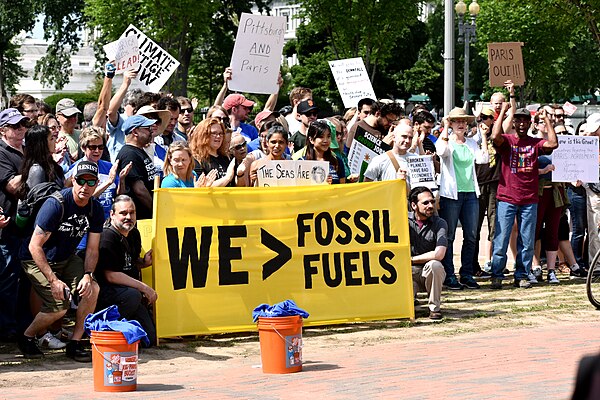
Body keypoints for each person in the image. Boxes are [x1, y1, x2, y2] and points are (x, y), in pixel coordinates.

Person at [18, 161, 104, 361]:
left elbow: (92, 248)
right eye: (81, 180)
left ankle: (74, 343)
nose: (85, 186)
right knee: (59, 306)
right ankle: (27, 337)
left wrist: (88, 275)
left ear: (97, 183)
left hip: (65, 257)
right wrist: (53, 280)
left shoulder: (95, 209)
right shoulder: (57, 204)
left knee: (93, 289)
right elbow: (34, 246)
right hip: (36, 258)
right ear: (73, 181)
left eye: (91, 182)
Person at [490, 104, 558, 289]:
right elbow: (494, 137)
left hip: (529, 199)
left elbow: (553, 144)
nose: (521, 123)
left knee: (527, 241)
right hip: (506, 197)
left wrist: (546, 120)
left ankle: (521, 274)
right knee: (501, 239)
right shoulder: (507, 141)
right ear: (514, 122)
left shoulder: (535, 143)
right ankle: (496, 274)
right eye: (518, 120)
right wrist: (504, 112)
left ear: (529, 123)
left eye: (525, 120)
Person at [436, 107, 488, 290]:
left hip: (470, 193)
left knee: (472, 235)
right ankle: (449, 274)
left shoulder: (471, 143)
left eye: (463, 121)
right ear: (451, 123)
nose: (460, 124)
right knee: (449, 236)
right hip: (451, 194)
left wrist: (483, 137)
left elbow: (483, 159)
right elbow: (441, 152)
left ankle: (466, 273)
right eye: (456, 121)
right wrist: (444, 128)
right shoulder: (446, 140)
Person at [96, 195, 157, 346]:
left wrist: (143, 263)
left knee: (150, 338)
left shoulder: (134, 234)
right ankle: (104, 330)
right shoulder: (107, 236)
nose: (128, 217)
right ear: (112, 215)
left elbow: (130, 262)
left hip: (129, 295)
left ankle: (124, 330)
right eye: (123, 213)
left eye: (132, 213)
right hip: (108, 295)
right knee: (133, 295)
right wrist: (144, 288)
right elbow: (110, 275)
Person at [65, 127, 131, 256]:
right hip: (84, 231)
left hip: (106, 229)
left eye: (101, 147)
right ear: (83, 147)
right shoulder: (75, 170)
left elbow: (119, 196)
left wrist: (121, 179)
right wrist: (108, 183)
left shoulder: (108, 167)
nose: (97, 151)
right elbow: (83, 199)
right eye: (92, 147)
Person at [0, 109, 27, 341]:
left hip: (29, 226)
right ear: (3, 130)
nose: (21, 129)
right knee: (8, 278)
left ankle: (20, 325)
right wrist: (33, 165)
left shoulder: (27, 150)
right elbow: (12, 187)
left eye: (23, 125)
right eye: (15, 126)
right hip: (7, 226)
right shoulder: (1, 153)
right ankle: (7, 329)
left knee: (25, 280)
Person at [408, 186, 447, 320]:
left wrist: (410, 259)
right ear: (414, 205)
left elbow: (439, 254)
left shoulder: (440, 223)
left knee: (435, 265)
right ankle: (407, 305)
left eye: (432, 202)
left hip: (427, 273)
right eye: (425, 203)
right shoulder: (402, 220)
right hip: (408, 273)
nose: (430, 205)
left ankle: (434, 309)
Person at [115, 115, 159, 220]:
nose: (151, 132)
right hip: (140, 218)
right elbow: (139, 190)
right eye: (147, 128)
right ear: (135, 132)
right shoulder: (129, 154)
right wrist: (156, 211)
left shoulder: (138, 151)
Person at [189, 118, 235, 187]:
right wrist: (227, 178)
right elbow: (202, 187)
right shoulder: (196, 160)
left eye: (220, 133)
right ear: (203, 135)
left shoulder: (227, 158)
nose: (218, 136)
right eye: (214, 133)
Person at [55, 98, 82, 162]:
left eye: (74, 115)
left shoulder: (83, 135)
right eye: (68, 116)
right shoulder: (55, 138)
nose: (73, 119)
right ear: (57, 117)